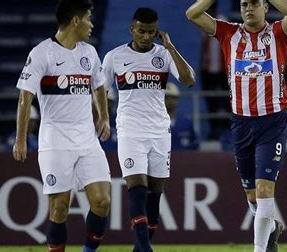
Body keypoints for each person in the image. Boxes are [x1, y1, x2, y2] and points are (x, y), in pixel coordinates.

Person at [186, 0, 287, 251]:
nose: (249, 8)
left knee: (263, 189)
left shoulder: (278, 33)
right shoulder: (229, 33)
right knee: (252, 196)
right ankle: (271, 227)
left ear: (265, 7)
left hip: (271, 122)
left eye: (255, 3)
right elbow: (192, 13)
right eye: (243, 4)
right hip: (240, 123)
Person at [12, 0, 112, 251]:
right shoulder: (41, 53)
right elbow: (25, 96)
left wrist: (103, 116)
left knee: (101, 202)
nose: (92, 24)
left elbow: (98, 85)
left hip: (88, 141)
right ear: (76, 21)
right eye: (88, 18)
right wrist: (21, 138)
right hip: (55, 141)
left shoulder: (89, 53)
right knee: (59, 207)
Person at [102, 8, 195, 252]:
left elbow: (189, 80)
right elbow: (99, 89)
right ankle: (146, 249)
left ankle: (140, 248)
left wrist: (171, 48)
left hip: (159, 132)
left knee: (154, 197)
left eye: (151, 32)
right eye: (141, 31)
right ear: (132, 29)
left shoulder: (163, 55)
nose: (146, 37)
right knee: (137, 189)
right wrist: (102, 117)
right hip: (130, 131)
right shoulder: (115, 57)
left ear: (157, 32)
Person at [199, 2, 229, 139]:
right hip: (208, 70)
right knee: (211, 102)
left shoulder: (223, 21)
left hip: (223, 70)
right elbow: (204, 47)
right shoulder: (204, 23)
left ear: (213, 8)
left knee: (229, 102)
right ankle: (214, 131)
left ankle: (231, 131)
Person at [165, 82, 199, 150]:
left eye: (173, 97)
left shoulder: (187, 123)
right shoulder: (153, 123)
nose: (170, 100)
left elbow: (195, 147)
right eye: (166, 97)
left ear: (178, 99)